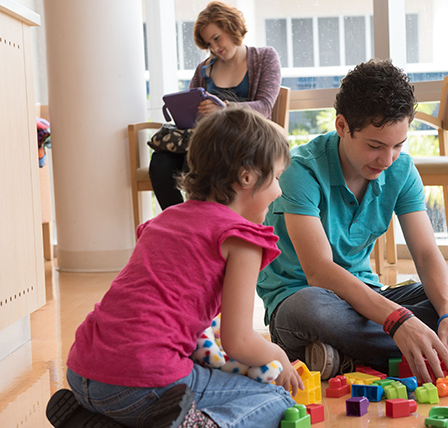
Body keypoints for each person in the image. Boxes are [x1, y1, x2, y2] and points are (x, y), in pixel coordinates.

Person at [256, 59, 448, 384]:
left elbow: (425, 254)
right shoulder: (300, 170)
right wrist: (397, 321)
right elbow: (319, 271)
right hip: (305, 299)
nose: (387, 159)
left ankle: (348, 355)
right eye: (375, 146)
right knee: (312, 309)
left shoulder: (401, 169)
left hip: (368, 299)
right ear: (341, 126)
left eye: (398, 145)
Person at [61, 108, 302, 428]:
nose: (279, 191)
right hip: (142, 380)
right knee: (275, 400)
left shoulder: (163, 220)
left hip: (81, 372)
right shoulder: (242, 238)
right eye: (276, 177)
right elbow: (239, 341)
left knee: (175, 386)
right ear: (248, 177)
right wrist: (280, 357)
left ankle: (100, 417)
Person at [149, 0, 282, 209]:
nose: (215, 48)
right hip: (205, 141)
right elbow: (192, 112)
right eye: (208, 44)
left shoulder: (265, 57)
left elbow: (265, 107)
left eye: (217, 38)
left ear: (232, 27)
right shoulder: (204, 68)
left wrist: (224, 109)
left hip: (244, 141)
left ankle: (206, 226)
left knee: (195, 163)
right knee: (160, 164)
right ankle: (182, 225)